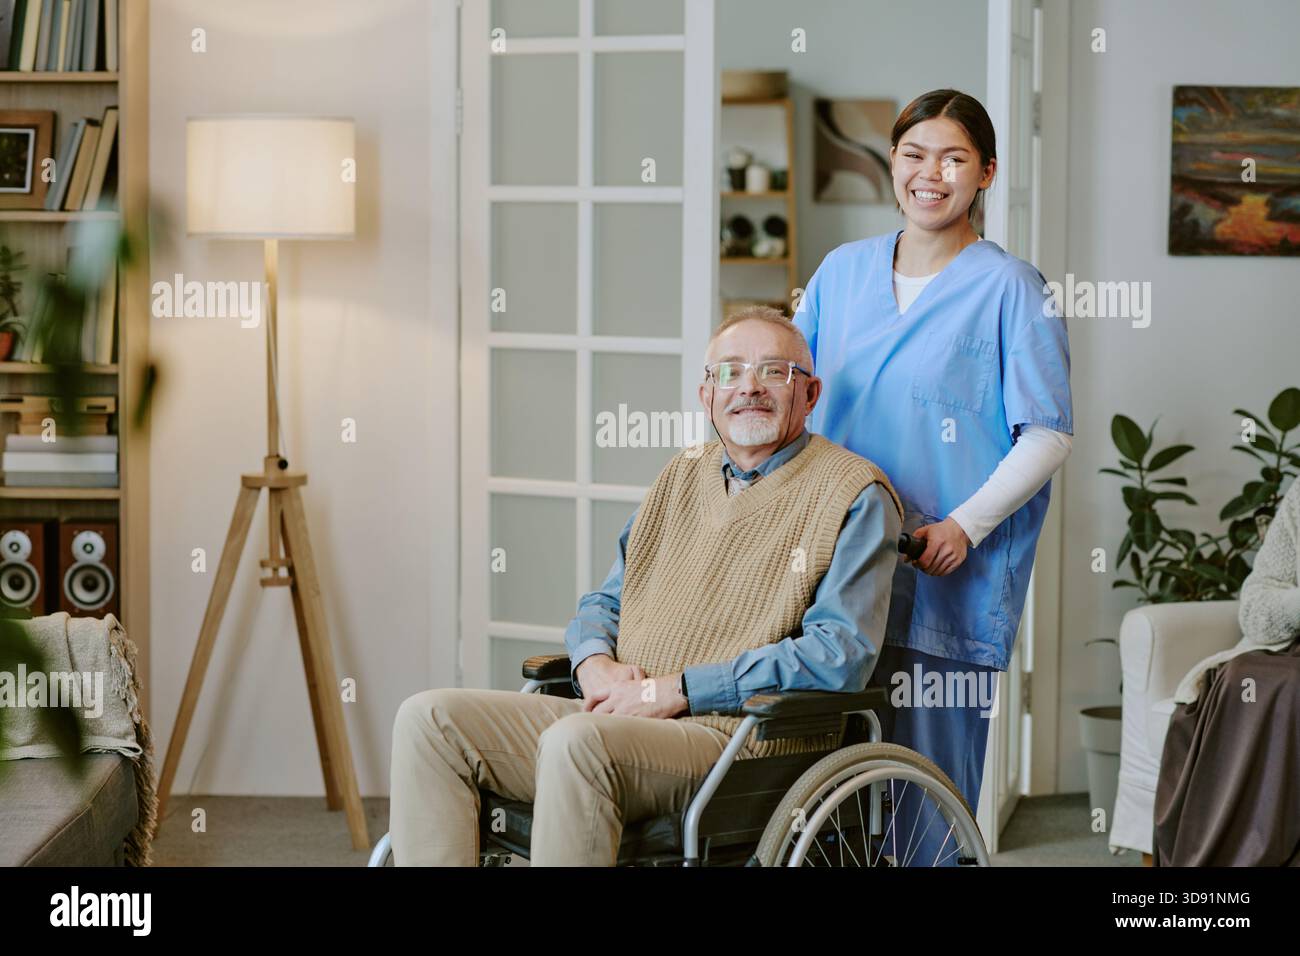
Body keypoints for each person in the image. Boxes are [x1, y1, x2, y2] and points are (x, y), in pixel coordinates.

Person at [389, 306, 903, 865]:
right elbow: (606, 601)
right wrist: (593, 665)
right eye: (729, 372)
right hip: (623, 714)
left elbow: (840, 654)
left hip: (735, 737)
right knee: (428, 720)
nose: (749, 387)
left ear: (810, 393)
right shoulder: (681, 474)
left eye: (774, 371)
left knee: (576, 742)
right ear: (707, 395)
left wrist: (677, 690)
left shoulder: (854, 492)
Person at [793, 89, 1074, 861]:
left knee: (926, 801)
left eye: (953, 158)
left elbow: (1047, 434)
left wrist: (965, 525)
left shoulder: (1013, 287)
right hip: (838, 567)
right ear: (893, 163)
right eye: (914, 155)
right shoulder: (841, 273)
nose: (930, 174)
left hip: (945, 574)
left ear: (985, 172)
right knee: (820, 792)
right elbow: (793, 390)